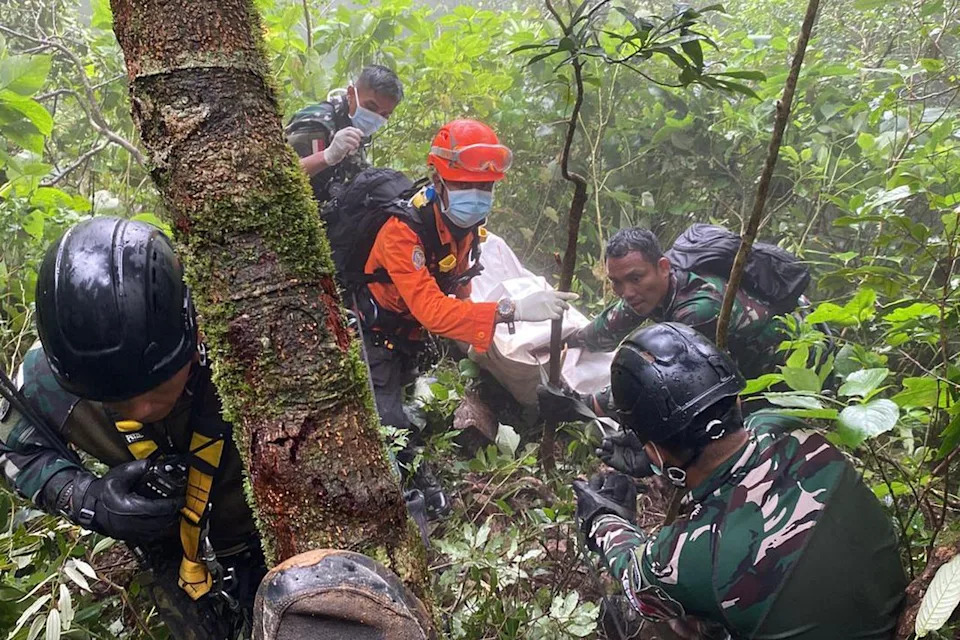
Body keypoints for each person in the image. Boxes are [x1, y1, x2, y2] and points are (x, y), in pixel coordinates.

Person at [0, 218, 265, 640]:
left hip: (262, 539)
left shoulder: (249, 342)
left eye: (155, 387)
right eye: (115, 399)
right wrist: (87, 500)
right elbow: (13, 448)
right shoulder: (53, 375)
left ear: (190, 332)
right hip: (166, 555)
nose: (141, 410)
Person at [573, 322, 906, 638]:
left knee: (625, 614)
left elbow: (634, 580)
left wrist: (602, 520)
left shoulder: (687, 555)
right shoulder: (790, 427)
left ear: (655, 450)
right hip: (889, 614)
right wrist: (658, 456)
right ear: (737, 399)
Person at [355, 118, 577, 517]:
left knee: (404, 400)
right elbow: (433, 310)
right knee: (386, 423)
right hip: (375, 332)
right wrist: (510, 311)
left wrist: (477, 344)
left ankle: (412, 462)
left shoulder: (466, 228)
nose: (475, 196)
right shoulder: (401, 231)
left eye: (485, 187)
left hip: (410, 335)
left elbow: (458, 284)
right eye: (462, 186)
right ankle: (408, 499)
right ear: (438, 182)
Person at [285, 64, 404, 205]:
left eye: (384, 115)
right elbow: (281, 176)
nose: (375, 117)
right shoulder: (317, 123)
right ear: (351, 94)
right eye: (371, 107)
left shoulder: (354, 126)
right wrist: (326, 156)